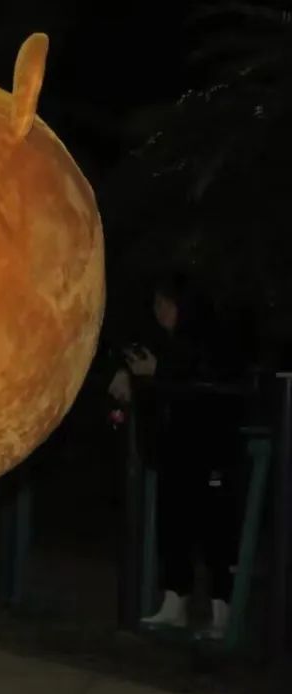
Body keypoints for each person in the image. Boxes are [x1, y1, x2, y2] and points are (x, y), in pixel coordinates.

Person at [109, 272, 241, 638]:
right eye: (157, 305)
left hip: (211, 451)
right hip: (176, 450)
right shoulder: (164, 341)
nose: (160, 312)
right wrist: (128, 373)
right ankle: (174, 603)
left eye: (167, 304)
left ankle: (222, 611)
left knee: (216, 531)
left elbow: (206, 376)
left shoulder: (213, 338)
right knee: (173, 528)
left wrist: (159, 371)